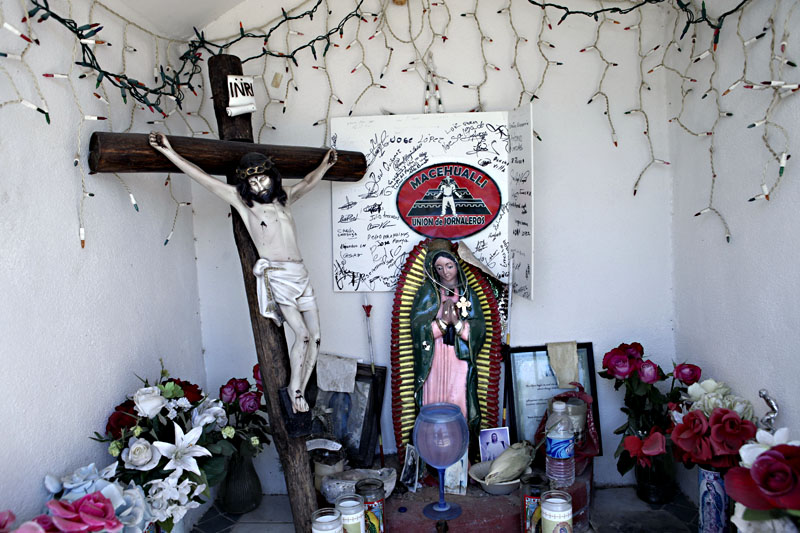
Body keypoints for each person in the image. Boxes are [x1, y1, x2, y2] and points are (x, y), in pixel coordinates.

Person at [148, 132, 337, 414]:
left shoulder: (285, 198)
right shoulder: (244, 203)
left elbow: (309, 182)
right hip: (279, 275)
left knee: (317, 337)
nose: (260, 186)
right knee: (303, 335)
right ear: (245, 185)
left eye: (264, 179)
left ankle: (303, 384)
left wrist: (325, 165)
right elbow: (203, 178)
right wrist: (169, 152)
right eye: (253, 182)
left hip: (301, 272)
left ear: (272, 177)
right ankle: (295, 390)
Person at [411, 238, 486, 436]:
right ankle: (430, 443)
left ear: (456, 265)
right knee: (434, 399)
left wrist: (459, 325)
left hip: (458, 358)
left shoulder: (468, 293)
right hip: (434, 358)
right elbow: (417, 327)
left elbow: (479, 329)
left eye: (449, 266)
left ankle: (460, 444)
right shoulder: (428, 292)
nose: (445, 272)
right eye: (439, 267)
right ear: (433, 269)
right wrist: (442, 324)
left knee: (458, 397)